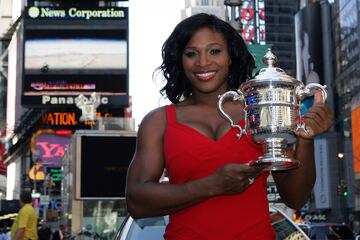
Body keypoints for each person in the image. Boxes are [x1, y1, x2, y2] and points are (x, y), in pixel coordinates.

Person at [125, 13, 333, 239]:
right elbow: (136, 201)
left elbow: (295, 198)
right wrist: (212, 185)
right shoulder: (159, 121)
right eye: (191, 53)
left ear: (231, 56)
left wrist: (306, 138)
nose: (203, 62)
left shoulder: (259, 110)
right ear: (180, 60)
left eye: (214, 51)